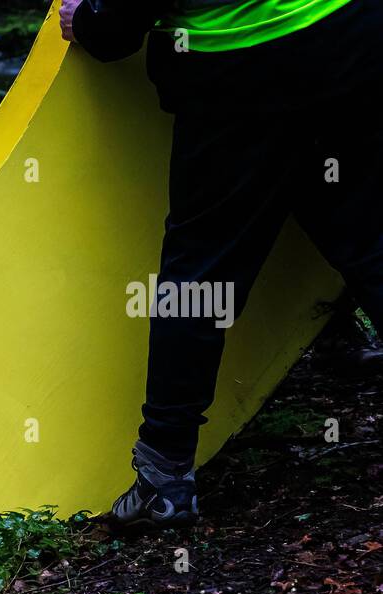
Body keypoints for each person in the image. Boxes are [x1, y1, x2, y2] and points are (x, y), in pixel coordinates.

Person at [59, 0, 382, 528]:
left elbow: (117, 32)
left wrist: (92, 21)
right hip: (350, 34)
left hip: (241, 70)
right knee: (368, 236)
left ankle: (164, 480)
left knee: (199, 278)